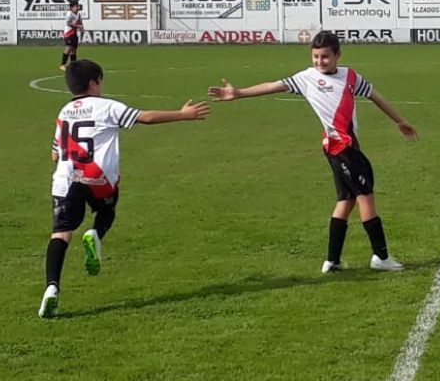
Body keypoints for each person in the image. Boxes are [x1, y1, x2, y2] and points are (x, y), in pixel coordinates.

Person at [207, 31, 417, 274]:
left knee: (345, 200)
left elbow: (375, 96)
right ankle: (380, 257)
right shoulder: (307, 78)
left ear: (337, 55)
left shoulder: (350, 76)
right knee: (365, 197)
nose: (319, 62)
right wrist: (239, 93)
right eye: (315, 57)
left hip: (345, 147)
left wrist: (400, 121)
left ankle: (332, 261)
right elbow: (273, 86)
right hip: (341, 148)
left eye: (325, 57)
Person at [40, 60, 210, 318]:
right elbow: (145, 118)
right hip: (97, 178)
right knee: (107, 211)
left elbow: (54, 155)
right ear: (93, 83)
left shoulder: (64, 112)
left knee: (61, 234)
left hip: (65, 180)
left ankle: (52, 288)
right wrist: (182, 115)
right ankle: (96, 234)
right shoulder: (106, 106)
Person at [60, 0, 84, 71]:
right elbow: (68, 23)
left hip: (74, 34)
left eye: (77, 6)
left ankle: (73, 65)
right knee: (68, 48)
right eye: (76, 6)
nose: (77, 7)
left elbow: (80, 22)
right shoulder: (69, 14)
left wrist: (82, 28)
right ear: (72, 7)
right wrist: (77, 26)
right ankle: (62, 64)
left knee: (74, 50)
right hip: (68, 33)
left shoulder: (78, 14)